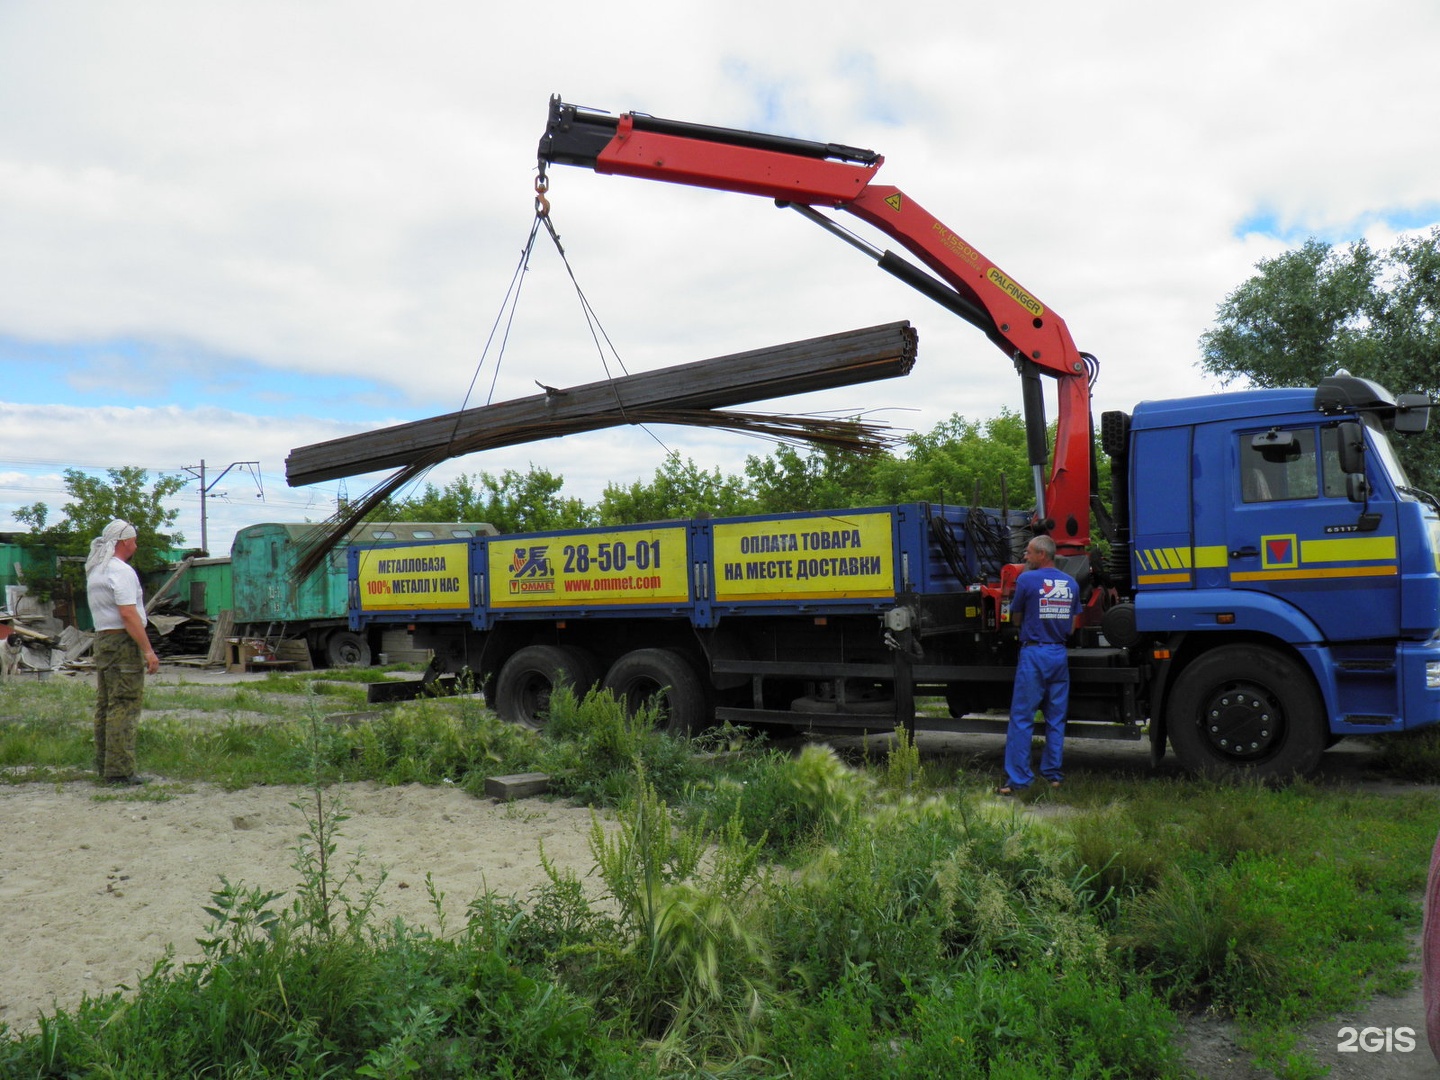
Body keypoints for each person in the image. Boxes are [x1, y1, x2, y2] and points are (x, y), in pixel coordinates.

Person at [999, 534, 1081, 795]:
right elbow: (1072, 626)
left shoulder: (1026, 579)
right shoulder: (1070, 583)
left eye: (1029, 552)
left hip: (1034, 654)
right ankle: (1053, 775)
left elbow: (1015, 618)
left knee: (1022, 718)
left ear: (1042, 555)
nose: (1025, 556)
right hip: (1058, 654)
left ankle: (1020, 780)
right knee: (1056, 718)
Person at [86, 519, 159, 785]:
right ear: (125, 542)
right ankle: (120, 771)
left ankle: (104, 765)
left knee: (105, 704)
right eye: (134, 540)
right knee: (124, 704)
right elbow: (128, 614)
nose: (136, 545)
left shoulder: (96, 571)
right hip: (122, 642)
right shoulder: (121, 571)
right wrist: (148, 651)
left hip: (103, 640)